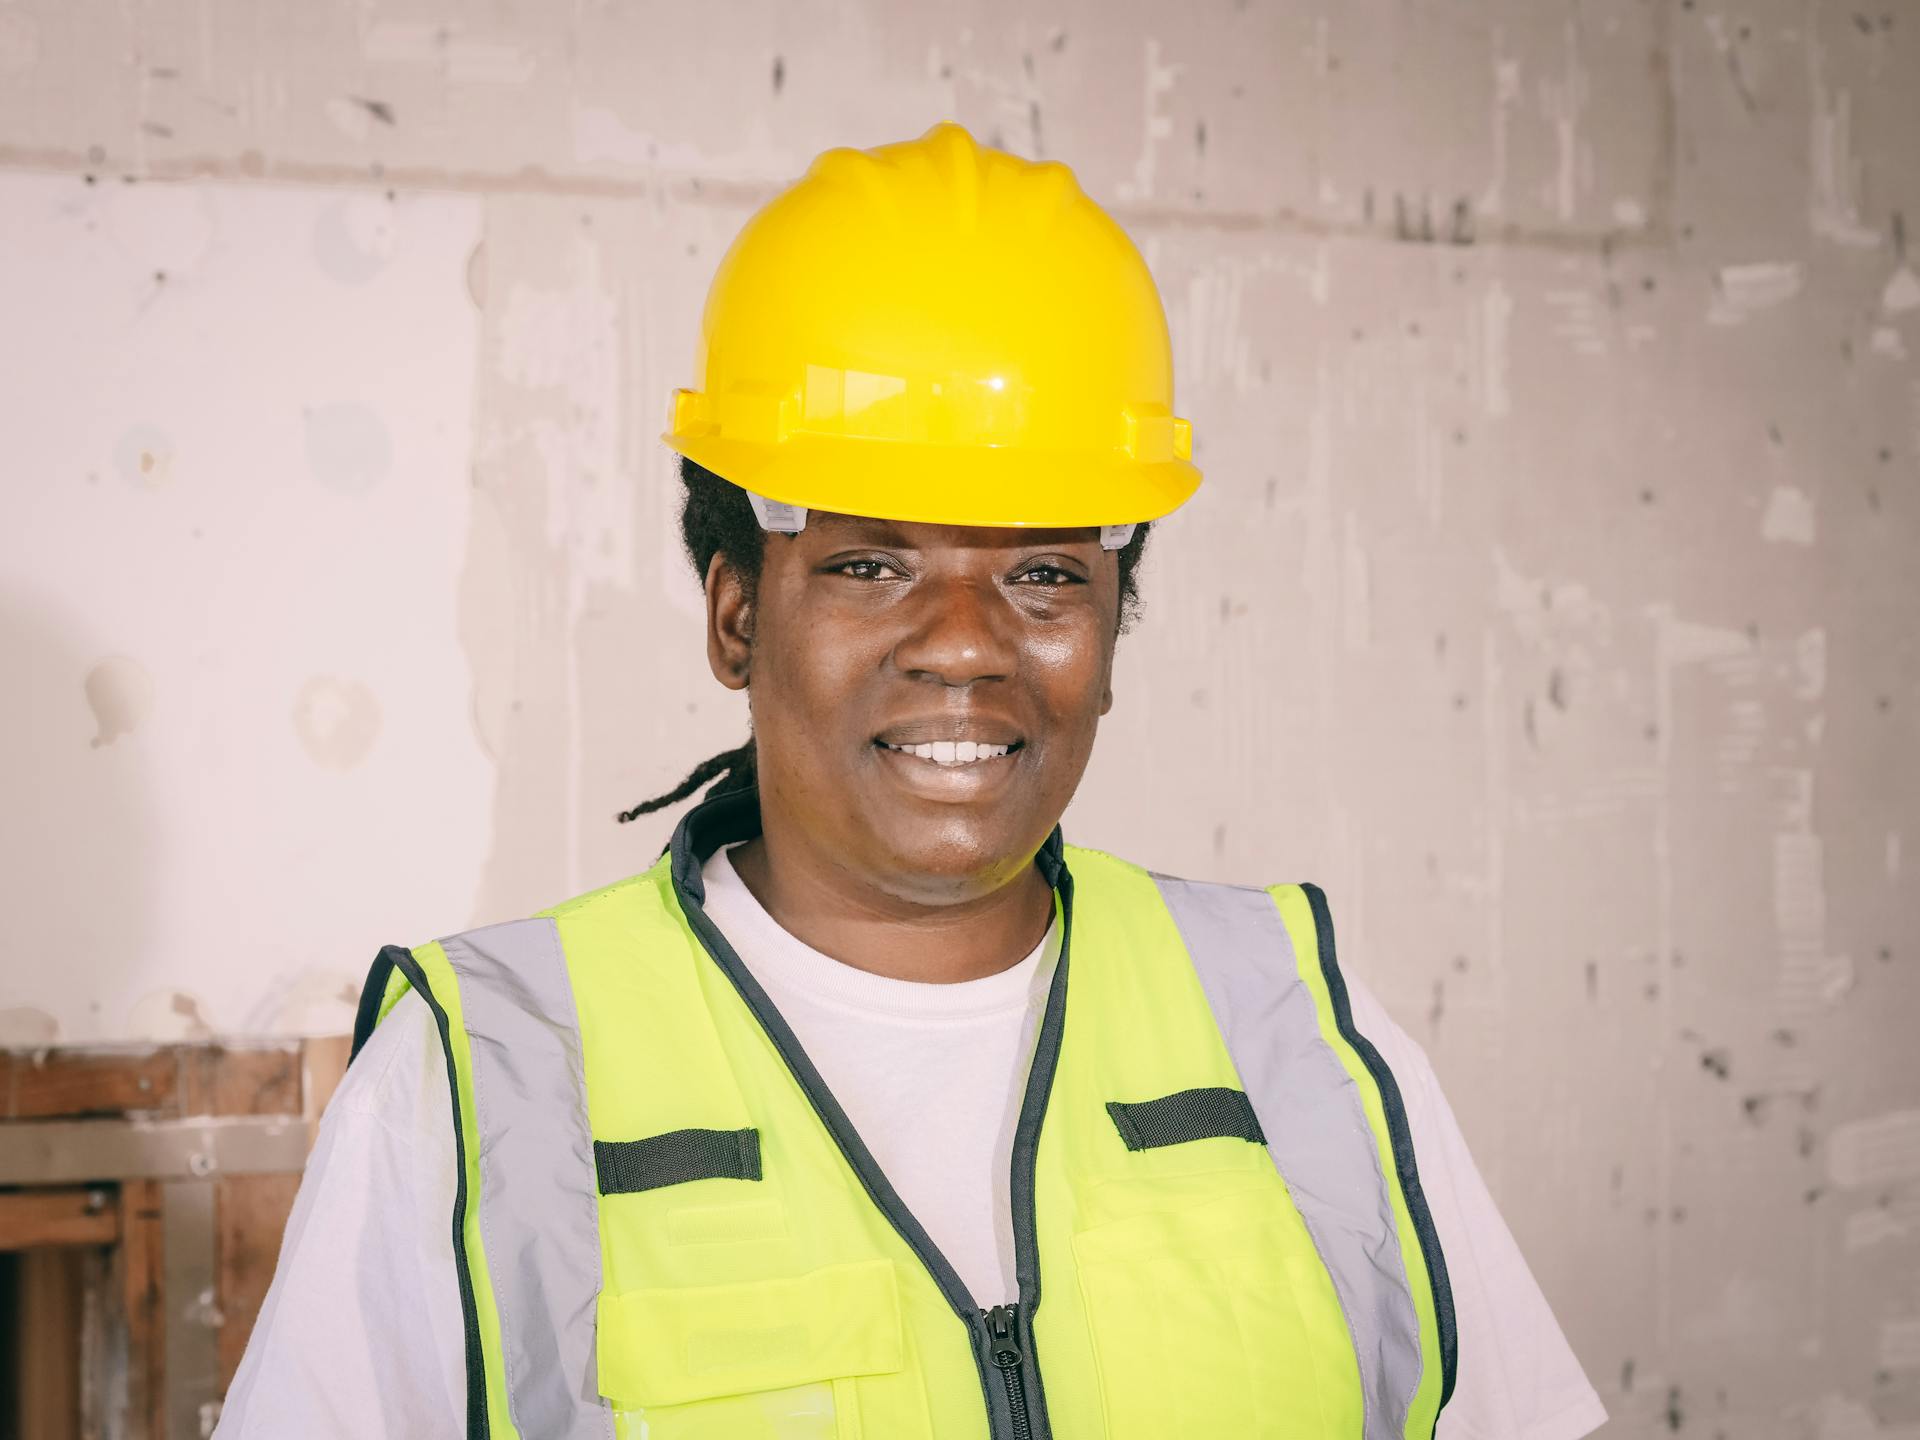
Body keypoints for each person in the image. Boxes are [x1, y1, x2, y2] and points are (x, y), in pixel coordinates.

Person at [216, 123, 1606, 1440]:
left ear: (1109, 639)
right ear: (738, 618)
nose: (964, 645)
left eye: (1045, 572)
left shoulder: (1300, 1032)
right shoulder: (486, 1084)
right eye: (871, 564)